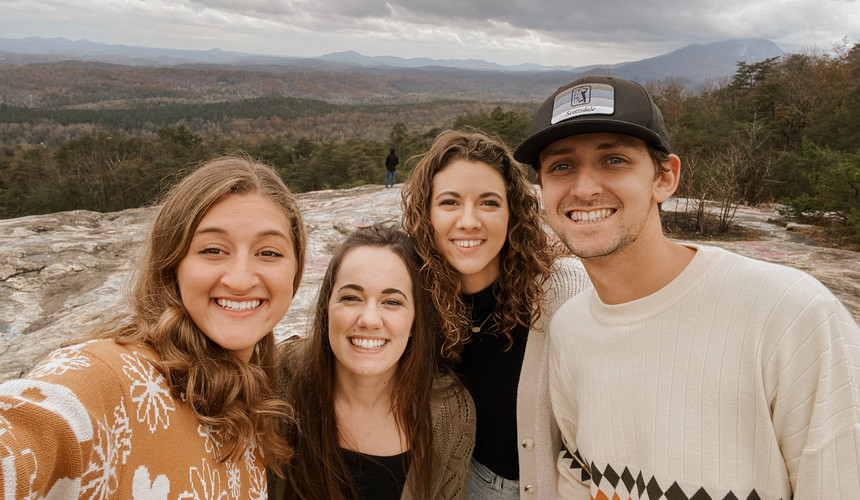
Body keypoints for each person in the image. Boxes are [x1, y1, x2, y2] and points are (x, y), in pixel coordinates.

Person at [513, 75, 860, 498]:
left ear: (665, 178)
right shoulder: (569, 328)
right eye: (562, 166)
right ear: (543, 190)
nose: (584, 188)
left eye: (614, 160)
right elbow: (579, 475)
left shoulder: (789, 314)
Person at [0, 155, 306, 498]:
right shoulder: (109, 377)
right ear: (172, 262)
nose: (240, 279)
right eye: (213, 249)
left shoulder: (251, 397)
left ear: (296, 269)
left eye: (268, 253)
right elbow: (30, 430)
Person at [401, 130, 591, 499]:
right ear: (426, 212)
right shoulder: (412, 295)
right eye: (450, 203)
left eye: (488, 203)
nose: (469, 221)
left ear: (512, 212)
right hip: (460, 483)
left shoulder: (566, 290)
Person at [269, 224, 476, 500]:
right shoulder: (276, 378)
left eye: (392, 302)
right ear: (326, 308)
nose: (368, 320)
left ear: (416, 320)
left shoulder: (450, 411)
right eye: (351, 297)